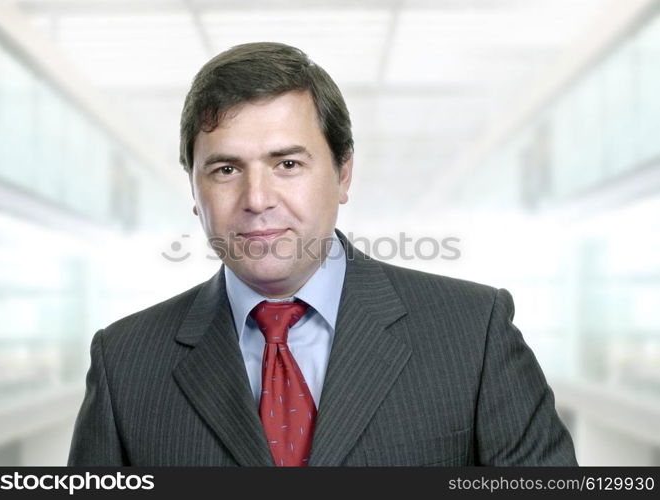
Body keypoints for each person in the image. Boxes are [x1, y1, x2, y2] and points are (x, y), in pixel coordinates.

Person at [67, 42, 577, 466]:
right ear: (195, 192)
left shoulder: (472, 332)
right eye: (225, 170)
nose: (257, 199)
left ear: (343, 174)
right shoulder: (125, 362)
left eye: (287, 163)